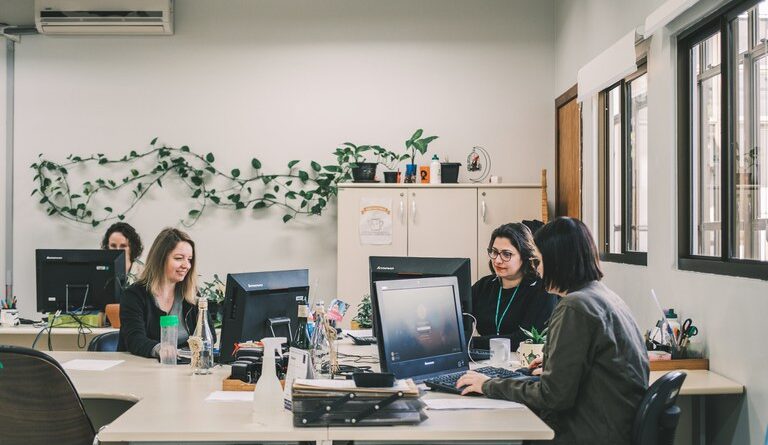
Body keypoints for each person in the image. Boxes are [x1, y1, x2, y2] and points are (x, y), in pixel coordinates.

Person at [457, 217, 649, 445]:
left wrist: (488, 384)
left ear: (557, 262)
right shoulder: (603, 296)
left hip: (590, 433)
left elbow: (553, 396)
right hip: (612, 424)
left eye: (538, 262)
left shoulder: (574, 306)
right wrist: (553, 363)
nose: (536, 270)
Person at [118, 227, 216, 358]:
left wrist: (184, 354)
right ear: (161, 259)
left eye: (189, 259)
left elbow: (209, 336)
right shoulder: (134, 295)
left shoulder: (192, 295)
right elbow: (134, 339)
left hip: (183, 369)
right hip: (143, 370)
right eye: (179, 258)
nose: (186, 265)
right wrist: (160, 349)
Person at [470, 222, 557, 351]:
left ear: (525, 256)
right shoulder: (483, 286)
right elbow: (456, 322)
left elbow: (524, 339)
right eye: (494, 252)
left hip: (522, 361)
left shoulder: (542, 290)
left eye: (506, 254)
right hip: (484, 360)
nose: (498, 260)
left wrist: (470, 343)